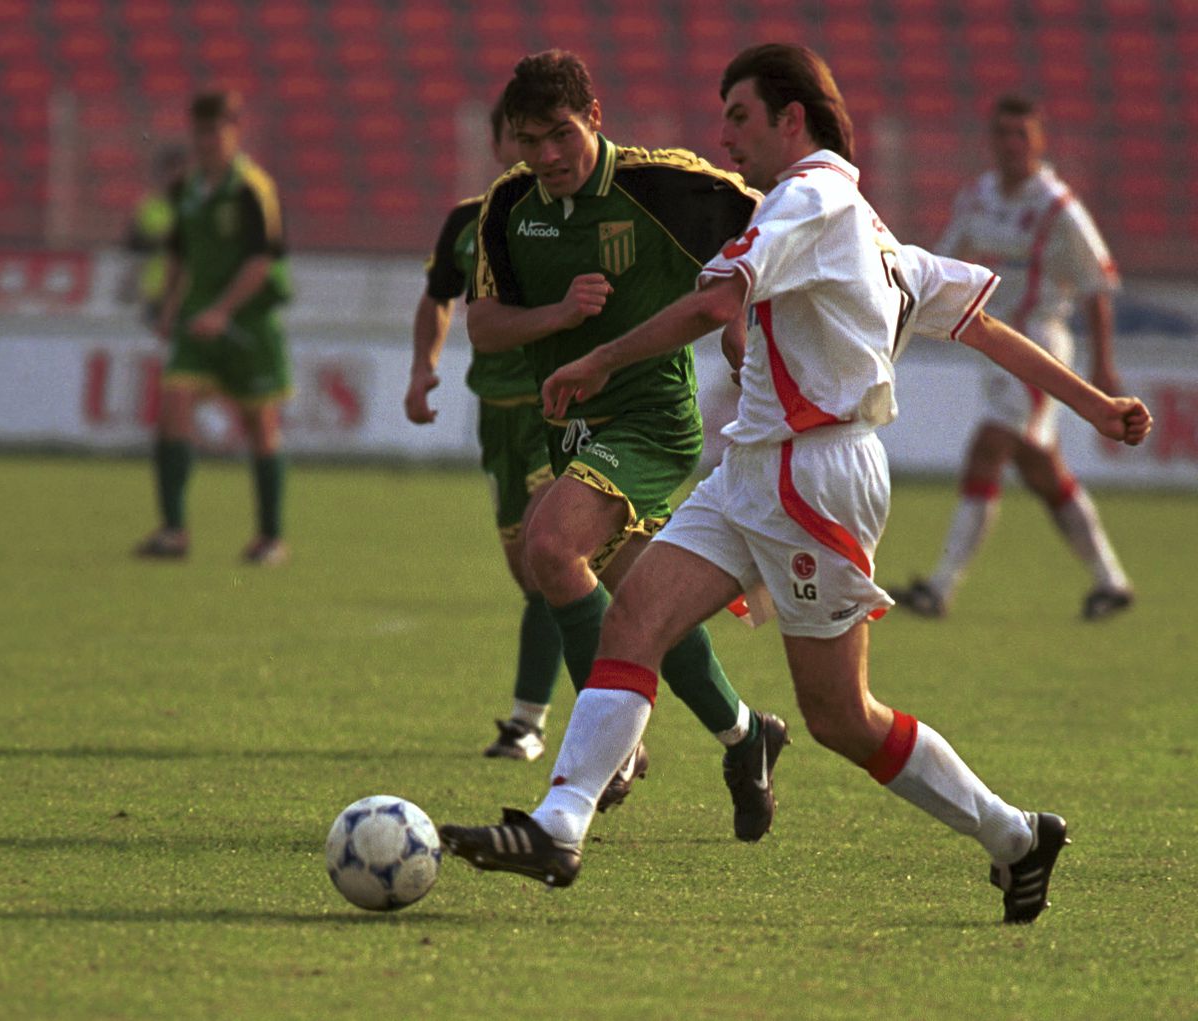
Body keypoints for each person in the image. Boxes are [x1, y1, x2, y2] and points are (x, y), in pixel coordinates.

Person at [439, 44, 1153, 924]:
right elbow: (984, 326)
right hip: (754, 463)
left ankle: (1015, 834)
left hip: (815, 476)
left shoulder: (808, 199)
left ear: (792, 118)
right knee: (634, 620)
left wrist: (600, 358)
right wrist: (1095, 406)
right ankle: (560, 824)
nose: (725, 135)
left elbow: (715, 301)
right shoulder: (863, 225)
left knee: (841, 715)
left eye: (739, 115)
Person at [463, 49, 791, 838]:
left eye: (561, 134)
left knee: (550, 544)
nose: (546, 156)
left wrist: (747, 319)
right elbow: (483, 325)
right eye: (529, 140)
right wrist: (558, 315)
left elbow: (784, 226)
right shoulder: (508, 204)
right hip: (571, 430)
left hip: (651, 419)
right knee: (646, 605)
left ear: (594, 118)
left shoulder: (665, 186)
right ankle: (747, 735)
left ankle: (607, 751)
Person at [890, 95, 1133, 621]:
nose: (1011, 144)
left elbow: (1097, 286)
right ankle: (1111, 581)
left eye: (1021, 134)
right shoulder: (978, 197)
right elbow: (945, 261)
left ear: (1039, 142)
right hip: (995, 346)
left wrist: (1103, 367)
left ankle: (940, 588)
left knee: (987, 448)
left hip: (1039, 347)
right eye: (1002, 133)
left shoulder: (1058, 207)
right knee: (1042, 471)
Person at [404, 102, 564, 761]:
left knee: (553, 560)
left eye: (542, 137)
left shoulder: (566, 217)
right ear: (498, 142)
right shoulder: (467, 222)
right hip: (496, 415)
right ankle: (609, 693)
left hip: (557, 409)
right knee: (532, 577)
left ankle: (533, 722)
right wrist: (423, 368)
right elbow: (438, 296)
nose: (530, 148)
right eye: (518, 135)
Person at [134, 88, 294, 566]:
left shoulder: (252, 188)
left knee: (259, 425)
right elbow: (179, 254)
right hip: (197, 321)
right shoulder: (185, 189)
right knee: (173, 404)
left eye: (215, 131)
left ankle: (270, 538)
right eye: (200, 131)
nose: (207, 140)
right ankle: (174, 531)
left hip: (248, 323)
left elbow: (262, 263)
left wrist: (222, 311)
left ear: (235, 131)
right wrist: (170, 307)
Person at [121, 144, 188, 326]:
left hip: (189, 290)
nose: (175, 177)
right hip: (156, 289)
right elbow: (133, 244)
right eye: (170, 171)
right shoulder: (149, 206)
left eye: (180, 171)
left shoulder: (198, 206)